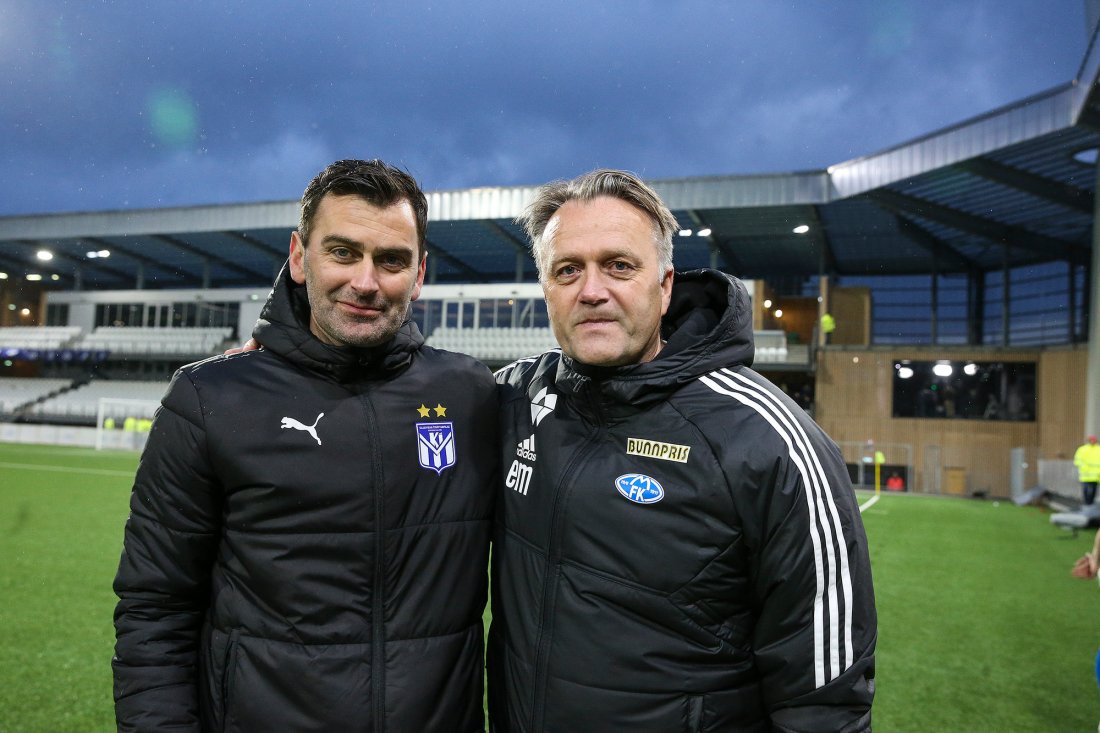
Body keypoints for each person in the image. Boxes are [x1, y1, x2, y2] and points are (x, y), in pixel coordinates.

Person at [112, 159, 498, 732]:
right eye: (342, 252)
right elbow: (155, 607)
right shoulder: (208, 398)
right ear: (299, 257)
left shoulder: (471, 394)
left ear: (419, 274)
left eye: (391, 260)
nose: (365, 282)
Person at [488, 170, 876, 732]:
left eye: (619, 265)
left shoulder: (766, 438)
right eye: (567, 269)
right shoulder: (513, 398)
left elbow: (825, 698)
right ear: (546, 287)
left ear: (665, 284)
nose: (591, 290)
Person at [1075, 435, 1100, 506]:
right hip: (1085, 475)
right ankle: (1086, 503)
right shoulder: (1082, 449)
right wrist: (1083, 467)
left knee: (1094, 491)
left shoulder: (1098, 449)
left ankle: (1091, 504)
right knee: (1085, 491)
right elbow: (1077, 460)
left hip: (1096, 476)